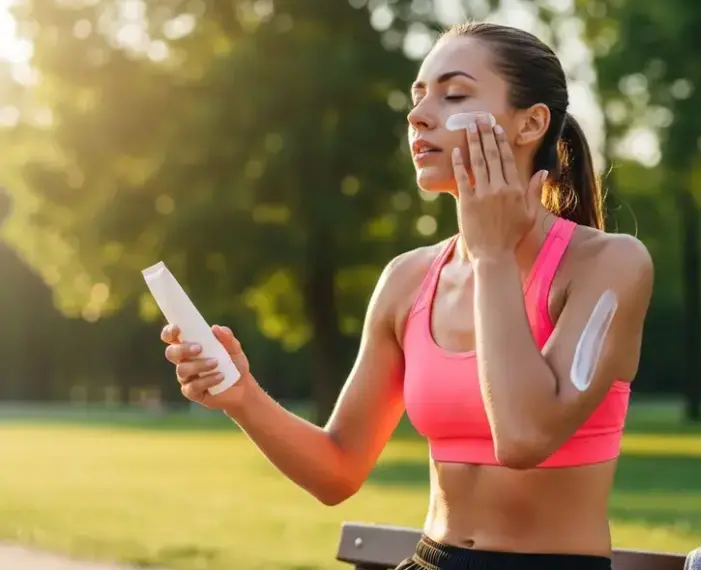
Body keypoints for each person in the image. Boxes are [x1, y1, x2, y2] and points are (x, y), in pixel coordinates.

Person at [161, 21, 653, 570]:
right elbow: (338, 471)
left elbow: (523, 438)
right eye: (418, 97)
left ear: (531, 123)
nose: (418, 115)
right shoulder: (408, 279)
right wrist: (242, 396)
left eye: (454, 95)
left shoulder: (609, 265)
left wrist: (491, 255)